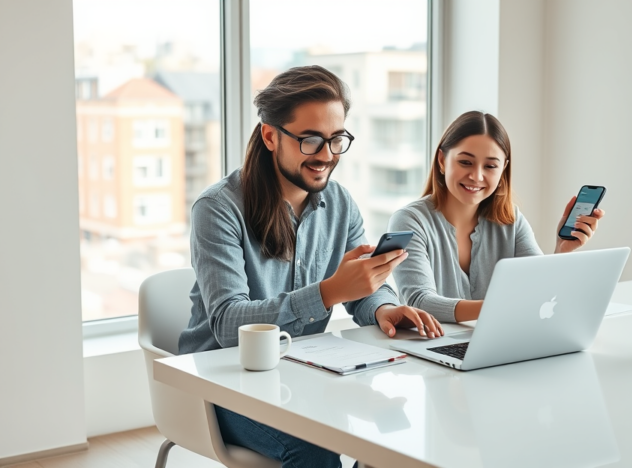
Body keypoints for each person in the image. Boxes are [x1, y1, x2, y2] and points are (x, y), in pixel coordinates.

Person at [178, 65, 443, 468]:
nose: (326, 155)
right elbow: (229, 324)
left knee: (396, 433)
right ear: (270, 135)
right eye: (311, 140)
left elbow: (363, 289)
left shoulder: (339, 203)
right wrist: (329, 292)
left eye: (337, 140)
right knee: (314, 449)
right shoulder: (218, 209)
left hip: (302, 373)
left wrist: (386, 308)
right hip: (222, 387)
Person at [389, 111, 605, 324]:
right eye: (465, 162)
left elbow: (540, 289)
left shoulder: (511, 220)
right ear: (442, 160)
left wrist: (562, 250)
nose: (477, 176)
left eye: (491, 166)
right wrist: (505, 306)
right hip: (431, 349)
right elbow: (420, 302)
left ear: (503, 169)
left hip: (496, 344)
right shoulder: (409, 221)